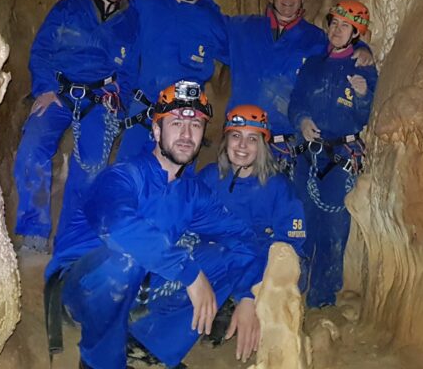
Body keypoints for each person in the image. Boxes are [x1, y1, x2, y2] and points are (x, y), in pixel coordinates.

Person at [45, 82, 267, 369]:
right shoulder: (123, 176)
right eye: (176, 124)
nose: (187, 135)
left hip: (143, 284)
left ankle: (146, 348)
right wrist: (189, 273)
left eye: (196, 126)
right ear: (157, 131)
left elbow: (244, 238)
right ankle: (98, 361)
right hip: (84, 288)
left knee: (227, 257)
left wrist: (247, 296)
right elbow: (118, 226)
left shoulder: (192, 193)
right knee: (125, 260)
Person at [13, 0, 141, 251]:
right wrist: (43, 88)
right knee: (32, 148)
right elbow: (41, 49)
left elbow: (131, 66)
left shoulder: (130, 21)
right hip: (57, 92)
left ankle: (69, 241)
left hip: (99, 98)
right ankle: (33, 233)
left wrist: (118, 100)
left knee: (92, 167)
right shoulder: (69, 6)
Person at [224, 0, 372, 173]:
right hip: (241, 140)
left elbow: (343, 48)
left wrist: (362, 47)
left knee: (283, 202)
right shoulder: (241, 28)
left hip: (286, 145)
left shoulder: (316, 40)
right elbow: (204, 28)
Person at [289, 0, 378, 309]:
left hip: (341, 155)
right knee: (302, 220)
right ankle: (297, 287)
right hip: (308, 154)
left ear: (356, 34)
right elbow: (296, 101)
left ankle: (323, 295)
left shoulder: (363, 68)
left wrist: (363, 96)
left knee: (334, 225)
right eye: (334, 24)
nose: (336, 30)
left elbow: (366, 115)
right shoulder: (312, 65)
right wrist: (301, 120)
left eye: (345, 26)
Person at [196, 105, 308, 345]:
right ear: (226, 140)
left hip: (260, 264)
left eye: (252, 139)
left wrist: (250, 296)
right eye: (236, 136)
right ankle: (219, 305)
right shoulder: (208, 178)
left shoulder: (278, 188)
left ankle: (242, 308)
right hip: (220, 259)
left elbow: (289, 247)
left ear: (262, 146)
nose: (242, 145)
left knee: (281, 270)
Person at [114, 0, 230, 161]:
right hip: (144, 108)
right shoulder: (148, 4)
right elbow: (110, 9)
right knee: (127, 177)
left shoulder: (213, 20)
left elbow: (241, 55)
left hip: (185, 115)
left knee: (178, 183)